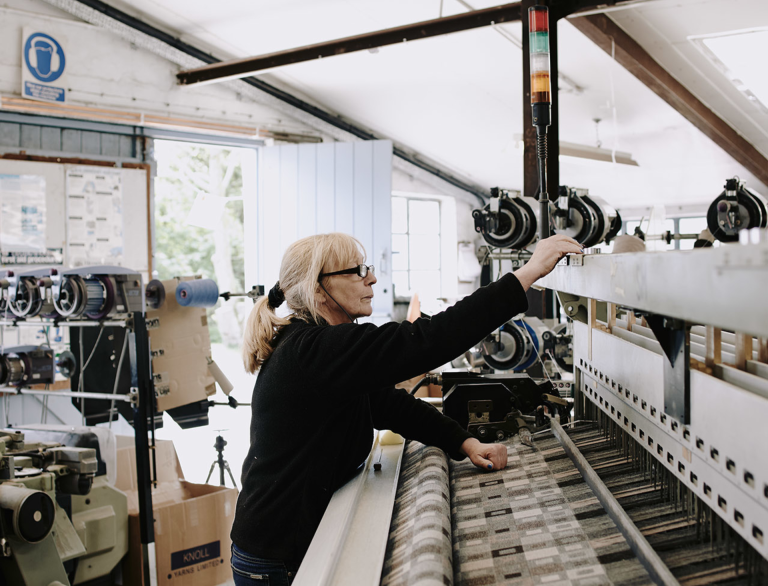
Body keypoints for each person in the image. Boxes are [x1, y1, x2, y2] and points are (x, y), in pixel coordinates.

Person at [231, 232, 582, 586]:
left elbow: (387, 404)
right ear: (320, 289)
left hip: (284, 542)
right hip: (274, 561)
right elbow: (428, 340)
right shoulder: (313, 351)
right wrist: (529, 272)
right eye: (357, 271)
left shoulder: (318, 349)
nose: (371, 277)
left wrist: (464, 443)